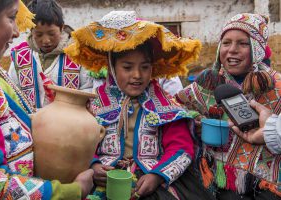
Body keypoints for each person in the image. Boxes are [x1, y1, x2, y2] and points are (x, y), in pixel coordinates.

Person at [65, 11, 208, 199]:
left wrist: (157, 175)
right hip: (104, 180)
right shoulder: (93, 104)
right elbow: (79, 144)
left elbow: (181, 149)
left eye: (145, 67)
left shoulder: (166, 105)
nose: (137, 75)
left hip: (152, 179)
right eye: (127, 67)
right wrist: (94, 166)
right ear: (112, 68)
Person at [0, 0, 93, 199]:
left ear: (62, 28)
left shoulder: (77, 56)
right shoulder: (17, 59)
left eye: (52, 34)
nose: (16, 32)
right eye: (11, 17)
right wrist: (72, 191)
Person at [176, 13, 281, 199]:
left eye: (243, 43)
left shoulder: (276, 85)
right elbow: (177, 105)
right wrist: (197, 121)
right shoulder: (208, 81)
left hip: (266, 184)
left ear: (257, 49)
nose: (232, 50)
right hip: (216, 176)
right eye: (226, 43)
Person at [8, 0, 99, 110]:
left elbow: (90, 88)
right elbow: (12, 91)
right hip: (30, 122)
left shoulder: (78, 54)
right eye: (39, 34)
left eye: (51, 34)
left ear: (61, 28)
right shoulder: (20, 56)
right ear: (31, 31)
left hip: (70, 121)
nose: (46, 40)